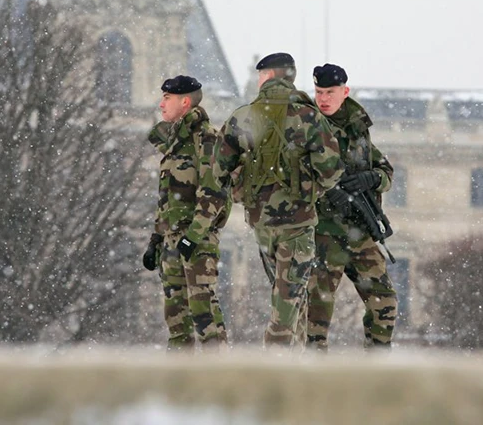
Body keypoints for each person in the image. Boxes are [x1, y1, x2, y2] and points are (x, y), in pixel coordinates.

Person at [192, 53, 343, 346]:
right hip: (297, 227)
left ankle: (296, 369)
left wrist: (243, 188)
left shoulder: (243, 116)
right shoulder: (309, 116)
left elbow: (217, 172)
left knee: (289, 297)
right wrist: (309, 192)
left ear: (267, 77)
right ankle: (277, 367)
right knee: (287, 306)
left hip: (262, 226)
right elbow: (332, 170)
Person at [306, 63, 398, 350]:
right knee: (316, 316)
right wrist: (326, 191)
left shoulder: (358, 129)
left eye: (330, 92)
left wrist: (373, 178)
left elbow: (386, 171)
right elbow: (294, 176)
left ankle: (377, 365)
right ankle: (312, 374)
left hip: (359, 233)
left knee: (385, 303)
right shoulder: (307, 126)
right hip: (324, 233)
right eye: (319, 91)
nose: (323, 98)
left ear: (345, 92)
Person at [142, 74, 229, 350]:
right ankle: (178, 386)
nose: (161, 104)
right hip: (171, 243)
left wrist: (192, 237)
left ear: (185, 102)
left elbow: (213, 196)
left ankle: (222, 381)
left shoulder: (206, 140)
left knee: (206, 318)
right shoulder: (173, 143)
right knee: (176, 323)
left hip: (197, 244)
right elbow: (167, 201)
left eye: (167, 98)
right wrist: (156, 240)